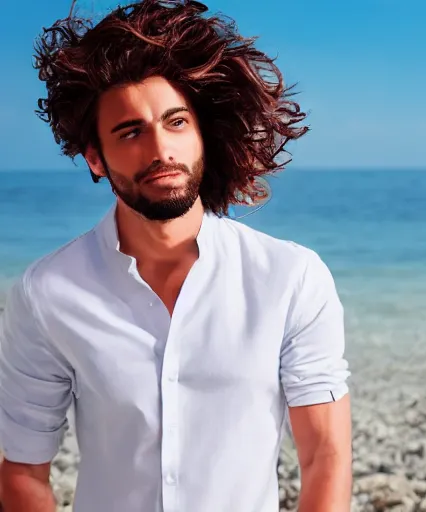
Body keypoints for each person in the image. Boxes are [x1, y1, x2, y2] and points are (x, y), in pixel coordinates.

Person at [0, 1, 352, 511]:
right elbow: (22, 472)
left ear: (201, 133)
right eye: (130, 131)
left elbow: (325, 454)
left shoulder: (290, 278)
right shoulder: (46, 294)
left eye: (176, 122)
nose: (160, 149)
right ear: (95, 157)